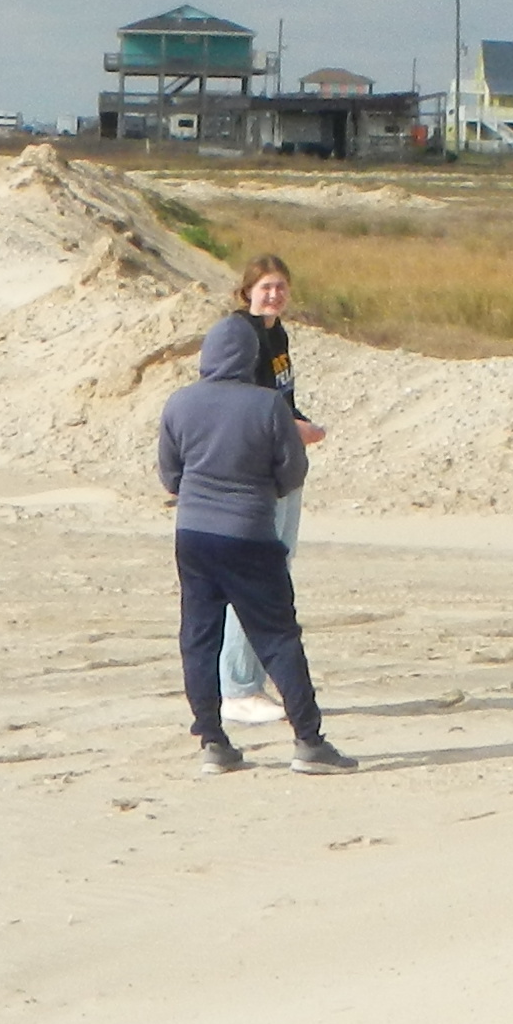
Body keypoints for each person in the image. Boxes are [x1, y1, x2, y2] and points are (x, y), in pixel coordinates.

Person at [155, 287, 352, 774]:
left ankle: (213, 743)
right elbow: (293, 472)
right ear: (247, 357)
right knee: (279, 635)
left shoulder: (180, 403)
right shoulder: (267, 406)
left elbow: (170, 474)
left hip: (194, 535)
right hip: (248, 532)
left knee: (199, 638)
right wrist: (263, 488)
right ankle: (309, 741)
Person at [217, 257, 307, 719]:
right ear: (248, 290)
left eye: (281, 287)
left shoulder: (277, 334)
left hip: (282, 467)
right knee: (255, 580)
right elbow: (244, 406)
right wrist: (291, 430)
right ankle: (237, 686)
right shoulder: (241, 335)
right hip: (256, 472)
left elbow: (282, 397)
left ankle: (250, 679)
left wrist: (300, 424)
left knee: (277, 573)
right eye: (266, 287)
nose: (274, 295)